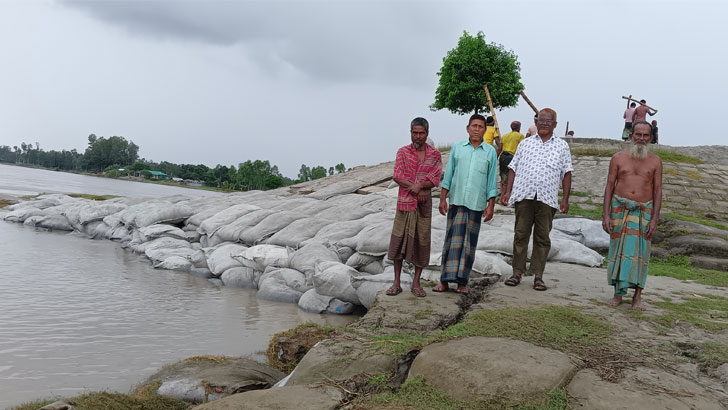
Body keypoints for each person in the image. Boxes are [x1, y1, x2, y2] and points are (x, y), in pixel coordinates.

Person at [501, 108, 573, 291]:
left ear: (554, 125)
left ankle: (538, 276)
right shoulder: (525, 144)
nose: (544, 123)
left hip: (547, 198)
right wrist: (507, 192)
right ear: (536, 121)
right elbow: (513, 168)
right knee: (520, 234)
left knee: (543, 237)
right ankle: (517, 272)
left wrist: (565, 198)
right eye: (541, 120)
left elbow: (566, 173)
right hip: (524, 195)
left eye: (548, 121)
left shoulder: (562, 146)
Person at [433, 114, 498, 295]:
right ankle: (444, 281)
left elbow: (492, 180)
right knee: (451, 241)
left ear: (485, 130)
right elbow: (449, 175)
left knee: (469, 244)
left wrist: (491, 204)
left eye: (480, 126)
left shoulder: (490, 152)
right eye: (474, 126)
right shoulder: (458, 148)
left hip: (476, 203)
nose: (477, 129)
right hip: (457, 201)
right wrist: (442, 198)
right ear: (467, 128)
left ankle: (462, 282)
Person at [602, 121, 662, 311]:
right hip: (619, 209)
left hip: (644, 211)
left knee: (641, 254)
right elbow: (609, 187)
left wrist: (655, 218)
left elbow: (658, 190)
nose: (641, 139)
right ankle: (618, 294)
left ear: (651, 138)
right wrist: (606, 215)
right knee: (618, 252)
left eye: (645, 136)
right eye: (638, 135)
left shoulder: (655, 161)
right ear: (631, 135)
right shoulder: (618, 158)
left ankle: (637, 297)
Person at [386, 117, 443, 297]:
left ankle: (416, 283)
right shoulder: (402, 152)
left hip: (423, 206)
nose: (418, 136)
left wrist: (421, 187)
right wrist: (416, 188)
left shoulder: (435, 154)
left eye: (421, 133)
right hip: (405, 203)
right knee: (399, 241)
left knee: (422, 241)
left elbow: (435, 177)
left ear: (427, 133)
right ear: (410, 133)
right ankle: (396, 282)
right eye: (415, 133)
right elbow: (397, 175)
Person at [499, 121, 525, 196]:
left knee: (503, 176)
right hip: (511, 157)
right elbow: (521, 148)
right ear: (519, 127)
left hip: (503, 156)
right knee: (510, 177)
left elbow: (500, 148)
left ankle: (502, 196)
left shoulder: (505, 135)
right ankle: (507, 195)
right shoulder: (520, 136)